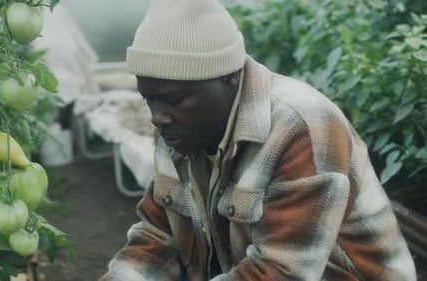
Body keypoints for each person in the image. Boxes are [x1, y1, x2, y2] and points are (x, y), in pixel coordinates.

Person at [99, 0, 417, 280]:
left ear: (229, 78)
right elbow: (160, 236)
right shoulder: (180, 130)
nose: (158, 117)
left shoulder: (302, 128)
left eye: (173, 100)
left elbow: (280, 273)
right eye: (149, 100)